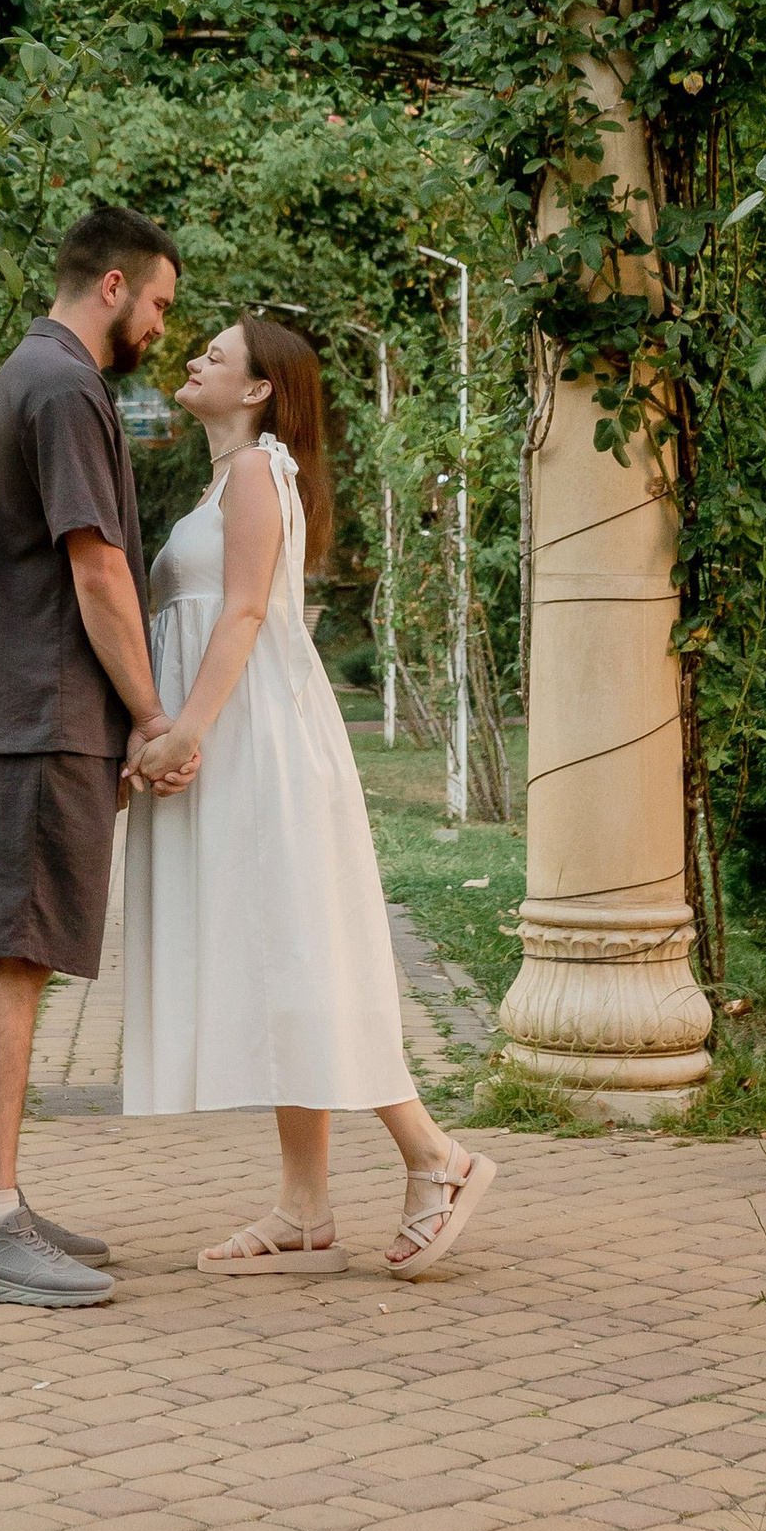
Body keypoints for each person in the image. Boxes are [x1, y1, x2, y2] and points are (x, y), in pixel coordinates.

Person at [121, 311, 495, 1277]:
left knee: (301, 949)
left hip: (255, 740)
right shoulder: (227, 478)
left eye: (215, 353)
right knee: (278, 949)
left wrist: (187, 727)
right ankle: (304, 1205)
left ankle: (435, 1158)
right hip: (239, 733)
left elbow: (244, 609)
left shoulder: (254, 471)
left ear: (256, 390)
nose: (193, 357)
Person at [0, 200, 196, 1309]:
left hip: (11, 711)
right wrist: (148, 713)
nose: (167, 332)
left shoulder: (30, 377)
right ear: (115, 286)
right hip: (41, 715)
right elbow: (96, 569)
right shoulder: (67, 387)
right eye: (165, 305)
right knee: (11, 959)